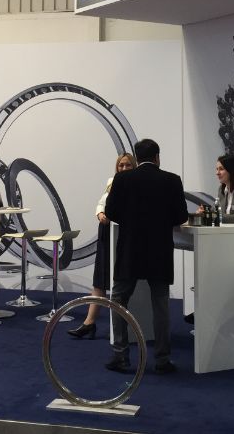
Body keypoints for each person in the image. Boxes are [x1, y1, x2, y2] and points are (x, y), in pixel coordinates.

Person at [103, 138, 188, 375]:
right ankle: (162, 359)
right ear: (157, 157)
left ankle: (121, 355)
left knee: (118, 300)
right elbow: (181, 216)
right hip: (160, 251)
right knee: (161, 304)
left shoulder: (122, 179)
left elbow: (111, 212)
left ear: (137, 158)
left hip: (129, 250)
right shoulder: (172, 180)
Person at [68, 152, 136, 339]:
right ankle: (89, 323)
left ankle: (122, 330)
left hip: (124, 235)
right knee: (100, 279)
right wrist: (100, 214)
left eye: (127, 165)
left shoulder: (137, 185)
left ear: (134, 166)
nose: (123, 168)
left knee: (121, 284)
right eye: (121, 165)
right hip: (107, 233)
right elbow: (101, 203)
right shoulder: (112, 181)